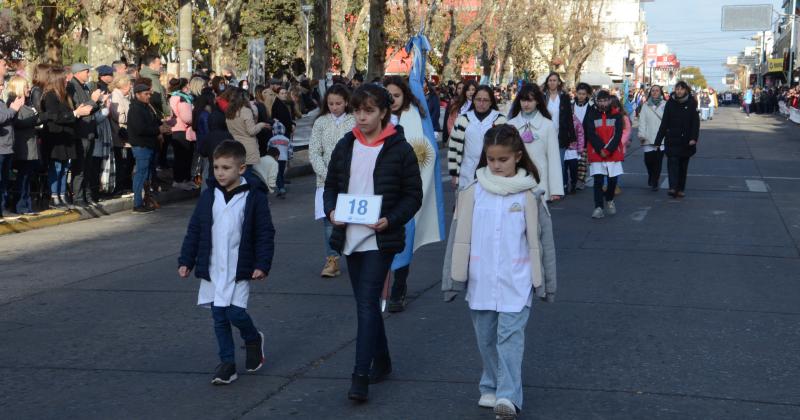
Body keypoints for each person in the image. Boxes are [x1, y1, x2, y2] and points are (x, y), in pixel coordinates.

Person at [447, 124, 556, 420]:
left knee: (510, 338)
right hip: (481, 280)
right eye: (491, 159)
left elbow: (544, 241)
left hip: (517, 280)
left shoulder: (529, 194)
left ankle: (508, 396)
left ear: (518, 156)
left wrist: (547, 281)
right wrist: (451, 278)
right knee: (485, 338)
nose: (496, 165)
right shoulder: (472, 193)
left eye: (503, 160)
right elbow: (459, 238)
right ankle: (491, 384)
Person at [323, 84, 422, 402]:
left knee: (367, 303)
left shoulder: (399, 148)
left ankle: (360, 376)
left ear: (383, 112)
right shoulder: (346, 144)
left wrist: (390, 220)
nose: (361, 117)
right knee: (365, 305)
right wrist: (331, 210)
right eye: (357, 111)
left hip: (380, 238)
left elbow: (413, 196)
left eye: (368, 111)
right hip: (349, 235)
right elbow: (331, 185)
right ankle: (383, 360)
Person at [178, 140, 275, 385]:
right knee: (218, 316)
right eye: (217, 167)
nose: (220, 173)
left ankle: (252, 338)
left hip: (239, 267)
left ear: (241, 169)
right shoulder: (209, 195)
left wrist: (262, 264)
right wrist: (186, 260)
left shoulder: (254, 197)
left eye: (226, 168)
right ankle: (227, 364)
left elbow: (264, 232)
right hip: (213, 266)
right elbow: (195, 230)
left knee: (235, 313)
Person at [383, 75, 435, 312]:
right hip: (380, 190)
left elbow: (427, 150)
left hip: (405, 189)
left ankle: (398, 288)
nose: (392, 100)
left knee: (403, 238)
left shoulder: (415, 117)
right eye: (388, 95)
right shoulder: (375, 118)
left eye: (396, 95)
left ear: (404, 96)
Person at [309, 84, 355, 278]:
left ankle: (356, 257)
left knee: (353, 221)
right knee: (330, 221)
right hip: (325, 181)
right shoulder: (320, 122)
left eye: (338, 103)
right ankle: (332, 260)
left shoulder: (354, 121)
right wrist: (327, 175)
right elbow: (314, 152)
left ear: (346, 102)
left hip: (352, 180)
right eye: (330, 104)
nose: (334, 107)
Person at [39, 68, 93, 209]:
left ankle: (62, 195)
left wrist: (78, 111)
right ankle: (54, 196)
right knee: (56, 167)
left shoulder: (65, 95)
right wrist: (75, 113)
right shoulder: (50, 95)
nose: (67, 80)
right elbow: (55, 117)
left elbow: (69, 115)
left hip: (67, 136)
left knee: (64, 168)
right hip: (55, 137)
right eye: (64, 78)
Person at [507, 83, 563, 200]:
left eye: (530, 100)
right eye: (523, 100)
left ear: (537, 101)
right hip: (515, 181)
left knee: (537, 217)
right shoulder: (510, 125)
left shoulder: (548, 125)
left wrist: (556, 189)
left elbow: (554, 158)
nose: (526, 104)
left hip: (539, 182)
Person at [448, 85, 508, 190]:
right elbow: (453, 147)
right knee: (465, 204)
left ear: (491, 102)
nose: (481, 103)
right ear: (474, 100)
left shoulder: (500, 120)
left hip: (492, 172)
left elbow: (507, 150)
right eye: (478, 99)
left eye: (485, 100)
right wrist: (454, 174)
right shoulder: (463, 119)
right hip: (466, 172)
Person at [654, 81, 700, 198]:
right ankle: (673, 187)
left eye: (681, 89)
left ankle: (680, 188)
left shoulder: (691, 103)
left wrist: (694, 138)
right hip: (672, 139)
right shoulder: (670, 103)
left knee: (682, 166)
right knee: (672, 163)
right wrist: (658, 140)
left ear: (686, 90)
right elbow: (664, 122)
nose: (679, 91)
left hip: (686, 140)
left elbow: (695, 123)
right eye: (677, 89)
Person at [583, 90, 624, 219]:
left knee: (612, 179)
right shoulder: (592, 114)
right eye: (600, 101)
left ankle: (609, 198)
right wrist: (600, 148)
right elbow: (590, 133)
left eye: (605, 100)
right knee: (598, 180)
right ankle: (598, 207)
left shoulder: (617, 115)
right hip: (596, 152)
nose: (603, 103)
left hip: (612, 151)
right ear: (596, 102)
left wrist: (608, 150)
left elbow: (617, 135)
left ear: (610, 100)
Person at [67, 63, 104, 206]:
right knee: (80, 167)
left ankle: (87, 195)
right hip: (80, 133)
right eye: (86, 71)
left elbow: (90, 109)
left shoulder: (85, 87)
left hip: (89, 131)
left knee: (87, 167)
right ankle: (78, 197)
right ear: (78, 72)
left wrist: (99, 103)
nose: (89, 74)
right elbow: (81, 109)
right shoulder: (72, 86)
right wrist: (94, 100)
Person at [127, 83, 162, 213]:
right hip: (141, 145)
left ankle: (146, 200)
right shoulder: (135, 109)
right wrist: (158, 129)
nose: (149, 96)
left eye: (149, 94)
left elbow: (154, 122)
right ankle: (137, 203)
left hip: (149, 144)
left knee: (146, 175)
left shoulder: (146, 107)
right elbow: (140, 129)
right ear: (137, 95)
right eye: (145, 94)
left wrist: (162, 126)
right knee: (141, 175)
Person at [541, 72, 577, 192]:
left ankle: (559, 187)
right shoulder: (542, 97)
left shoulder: (564, 97)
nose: (552, 82)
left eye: (554, 80)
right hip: (545, 135)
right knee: (545, 163)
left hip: (560, 135)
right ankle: (547, 187)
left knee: (559, 163)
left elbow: (569, 118)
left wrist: (572, 137)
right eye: (550, 80)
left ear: (558, 82)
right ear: (547, 82)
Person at [3, 78, 31, 215]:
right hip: (9, 146)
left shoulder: (3, 103)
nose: (2, 88)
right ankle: (9, 206)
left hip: (10, 146)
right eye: (26, 86)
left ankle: (13, 206)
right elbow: (6, 119)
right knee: (5, 179)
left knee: (7, 179)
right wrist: (14, 110)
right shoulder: (10, 103)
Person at [225, 88, 269, 169]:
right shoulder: (245, 111)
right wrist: (261, 125)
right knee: (248, 175)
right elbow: (251, 131)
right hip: (248, 148)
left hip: (235, 147)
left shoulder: (229, 111)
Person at [168, 77, 198, 191]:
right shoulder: (182, 98)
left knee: (183, 156)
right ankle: (180, 180)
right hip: (182, 130)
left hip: (177, 129)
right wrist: (195, 118)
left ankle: (184, 179)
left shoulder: (173, 96)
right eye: (188, 85)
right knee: (183, 156)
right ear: (184, 86)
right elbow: (187, 117)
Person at [637, 85, 666, 191]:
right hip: (648, 137)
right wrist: (641, 134)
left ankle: (655, 180)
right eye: (652, 91)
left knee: (658, 161)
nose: (654, 92)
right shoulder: (645, 105)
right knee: (648, 161)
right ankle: (651, 175)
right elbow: (642, 121)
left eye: (657, 91)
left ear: (660, 92)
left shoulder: (665, 105)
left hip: (661, 138)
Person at [109, 75, 133, 193]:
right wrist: (133, 116)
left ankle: (125, 185)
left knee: (126, 163)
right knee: (122, 163)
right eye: (129, 85)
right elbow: (120, 117)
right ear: (125, 86)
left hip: (123, 135)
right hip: (120, 135)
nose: (131, 87)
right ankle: (120, 187)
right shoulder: (116, 96)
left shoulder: (122, 96)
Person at [572, 83, 593, 190]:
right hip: (572, 139)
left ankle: (581, 180)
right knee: (573, 161)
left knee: (582, 162)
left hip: (585, 139)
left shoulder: (591, 107)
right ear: (576, 93)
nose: (581, 96)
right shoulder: (571, 105)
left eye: (583, 94)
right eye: (579, 93)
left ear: (587, 95)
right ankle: (573, 179)